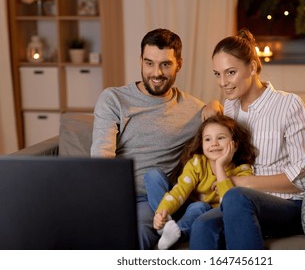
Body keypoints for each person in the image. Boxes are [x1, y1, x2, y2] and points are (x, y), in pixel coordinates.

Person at [90, 28, 222, 250]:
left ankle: (168, 226)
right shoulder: (114, 99)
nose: (156, 73)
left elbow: (220, 135)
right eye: (149, 63)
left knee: (145, 230)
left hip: (164, 195)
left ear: (179, 64)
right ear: (140, 60)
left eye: (165, 64)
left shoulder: (194, 110)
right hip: (125, 195)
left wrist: (215, 105)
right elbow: (102, 156)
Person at [189, 28, 305, 250]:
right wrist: (213, 105)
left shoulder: (289, 105)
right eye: (217, 74)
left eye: (230, 72)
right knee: (202, 225)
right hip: (239, 204)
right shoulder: (230, 107)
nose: (222, 82)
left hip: (289, 205)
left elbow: (304, 177)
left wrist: (241, 183)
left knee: (237, 198)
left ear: (253, 67)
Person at [144, 115, 256, 249]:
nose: (214, 143)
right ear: (202, 144)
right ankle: (163, 223)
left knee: (200, 206)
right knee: (152, 175)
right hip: (181, 206)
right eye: (208, 139)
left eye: (221, 138)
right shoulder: (197, 162)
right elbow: (180, 191)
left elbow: (229, 204)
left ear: (235, 144)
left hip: (200, 213)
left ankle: (177, 232)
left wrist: (220, 166)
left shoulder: (243, 170)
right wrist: (162, 212)